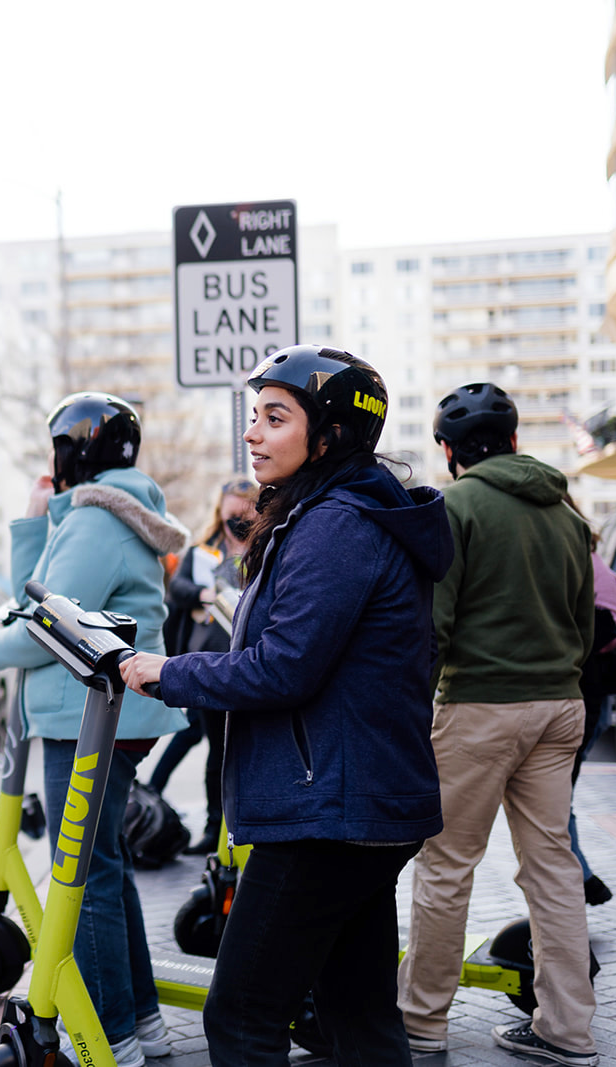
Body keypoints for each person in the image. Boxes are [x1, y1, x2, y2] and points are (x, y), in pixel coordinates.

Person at [118, 346, 452, 1067]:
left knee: (241, 1017)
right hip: (356, 799)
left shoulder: (338, 523)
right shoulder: (341, 511)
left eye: (276, 417)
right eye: (254, 416)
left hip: (329, 810)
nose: (253, 433)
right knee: (358, 1015)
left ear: (328, 434)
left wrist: (168, 670)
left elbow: (284, 668)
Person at [0, 391, 190, 1067]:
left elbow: (43, 626)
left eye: (55, 446)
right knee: (104, 866)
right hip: (101, 713)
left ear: (75, 448)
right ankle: (141, 1025)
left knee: (84, 874)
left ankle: (110, 1038)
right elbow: (37, 595)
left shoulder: (98, 522)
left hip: (87, 717)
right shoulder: (105, 514)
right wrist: (34, 526)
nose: (50, 460)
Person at [395, 382, 598, 1067]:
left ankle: (421, 1022)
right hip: (559, 706)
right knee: (552, 869)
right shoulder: (567, 514)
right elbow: (586, 622)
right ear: (512, 441)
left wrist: (410, 708)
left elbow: (435, 625)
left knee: (448, 866)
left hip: (480, 708)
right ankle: (568, 1028)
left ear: (450, 451)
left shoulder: (456, 505)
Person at [150, 477, 259, 853]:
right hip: (210, 658)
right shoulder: (202, 552)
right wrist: (203, 594)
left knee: (235, 747)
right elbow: (175, 591)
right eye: (232, 515)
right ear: (220, 513)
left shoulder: (265, 546)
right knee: (215, 748)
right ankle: (216, 831)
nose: (238, 522)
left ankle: (242, 830)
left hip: (250, 659)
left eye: (246, 512)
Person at [565, 494, 616, 907]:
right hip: (593, 696)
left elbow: (610, 627)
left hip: (584, 694)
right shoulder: (589, 556)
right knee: (555, 803)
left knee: (553, 805)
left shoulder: (581, 560)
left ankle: (581, 879)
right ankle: (582, 878)